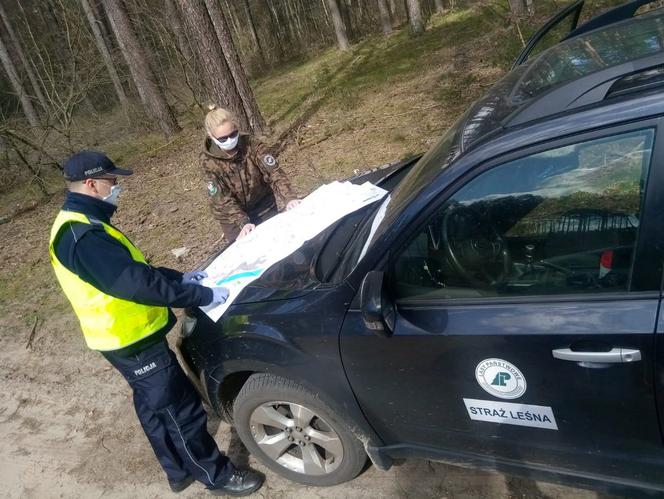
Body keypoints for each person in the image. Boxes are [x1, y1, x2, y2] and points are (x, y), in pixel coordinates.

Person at [48, 150, 264, 496]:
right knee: (181, 408)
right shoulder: (83, 236)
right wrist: (201, 296)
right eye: (112, 182)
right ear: (91, 184)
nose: (116, 188)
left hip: (122, 340)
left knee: (152, 406)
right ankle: (216, 475)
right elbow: (135, 285)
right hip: (131, 341)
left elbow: (135, 270)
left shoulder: (82, 223)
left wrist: (181, 278)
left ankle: (177, 470)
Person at [200, 106, 301, 243]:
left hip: (263, 206)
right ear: (212, 136)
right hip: (232, 219)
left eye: (233, 134)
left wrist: (289, 198)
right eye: (223, 139)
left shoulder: (252, 145)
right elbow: (222, 198)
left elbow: (274, 173)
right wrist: (243, 222)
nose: (230, 140)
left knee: (276, 242)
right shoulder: (208, 161)